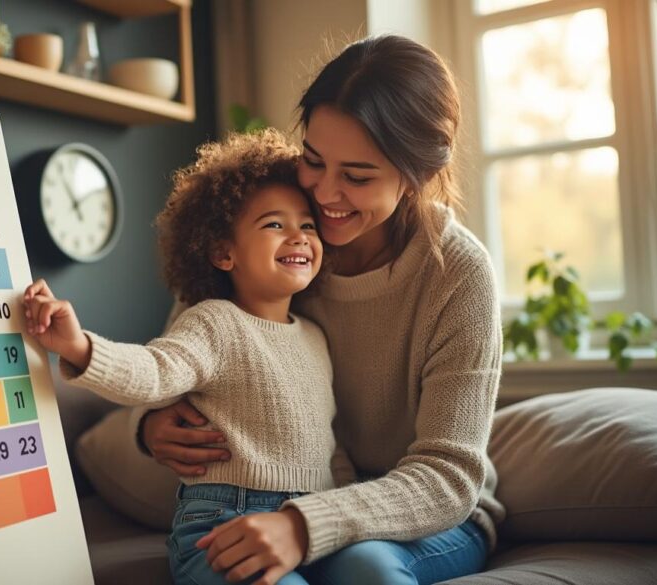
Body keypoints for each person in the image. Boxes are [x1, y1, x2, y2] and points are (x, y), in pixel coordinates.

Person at [134, 34, 505, 585]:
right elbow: (172, 361)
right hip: (282, 497)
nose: (324, 193)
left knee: (366, 567)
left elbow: (449, 475)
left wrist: (306, 524)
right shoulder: (269, 217)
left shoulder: (458, 274)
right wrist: (153, 426)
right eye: (312, 159)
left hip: (423, 514)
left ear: (418, 175)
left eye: (357, 177)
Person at [22, 129, 356, 585]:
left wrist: (344, 509)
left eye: (308, 225)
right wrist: (79, 346)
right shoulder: (214, 322)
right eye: (275, 225)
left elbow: (328, 444)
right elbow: (154, 372)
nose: (298, 237)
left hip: (309, 525)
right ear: (223, 253)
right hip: (221, 525)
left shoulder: (317, 337)